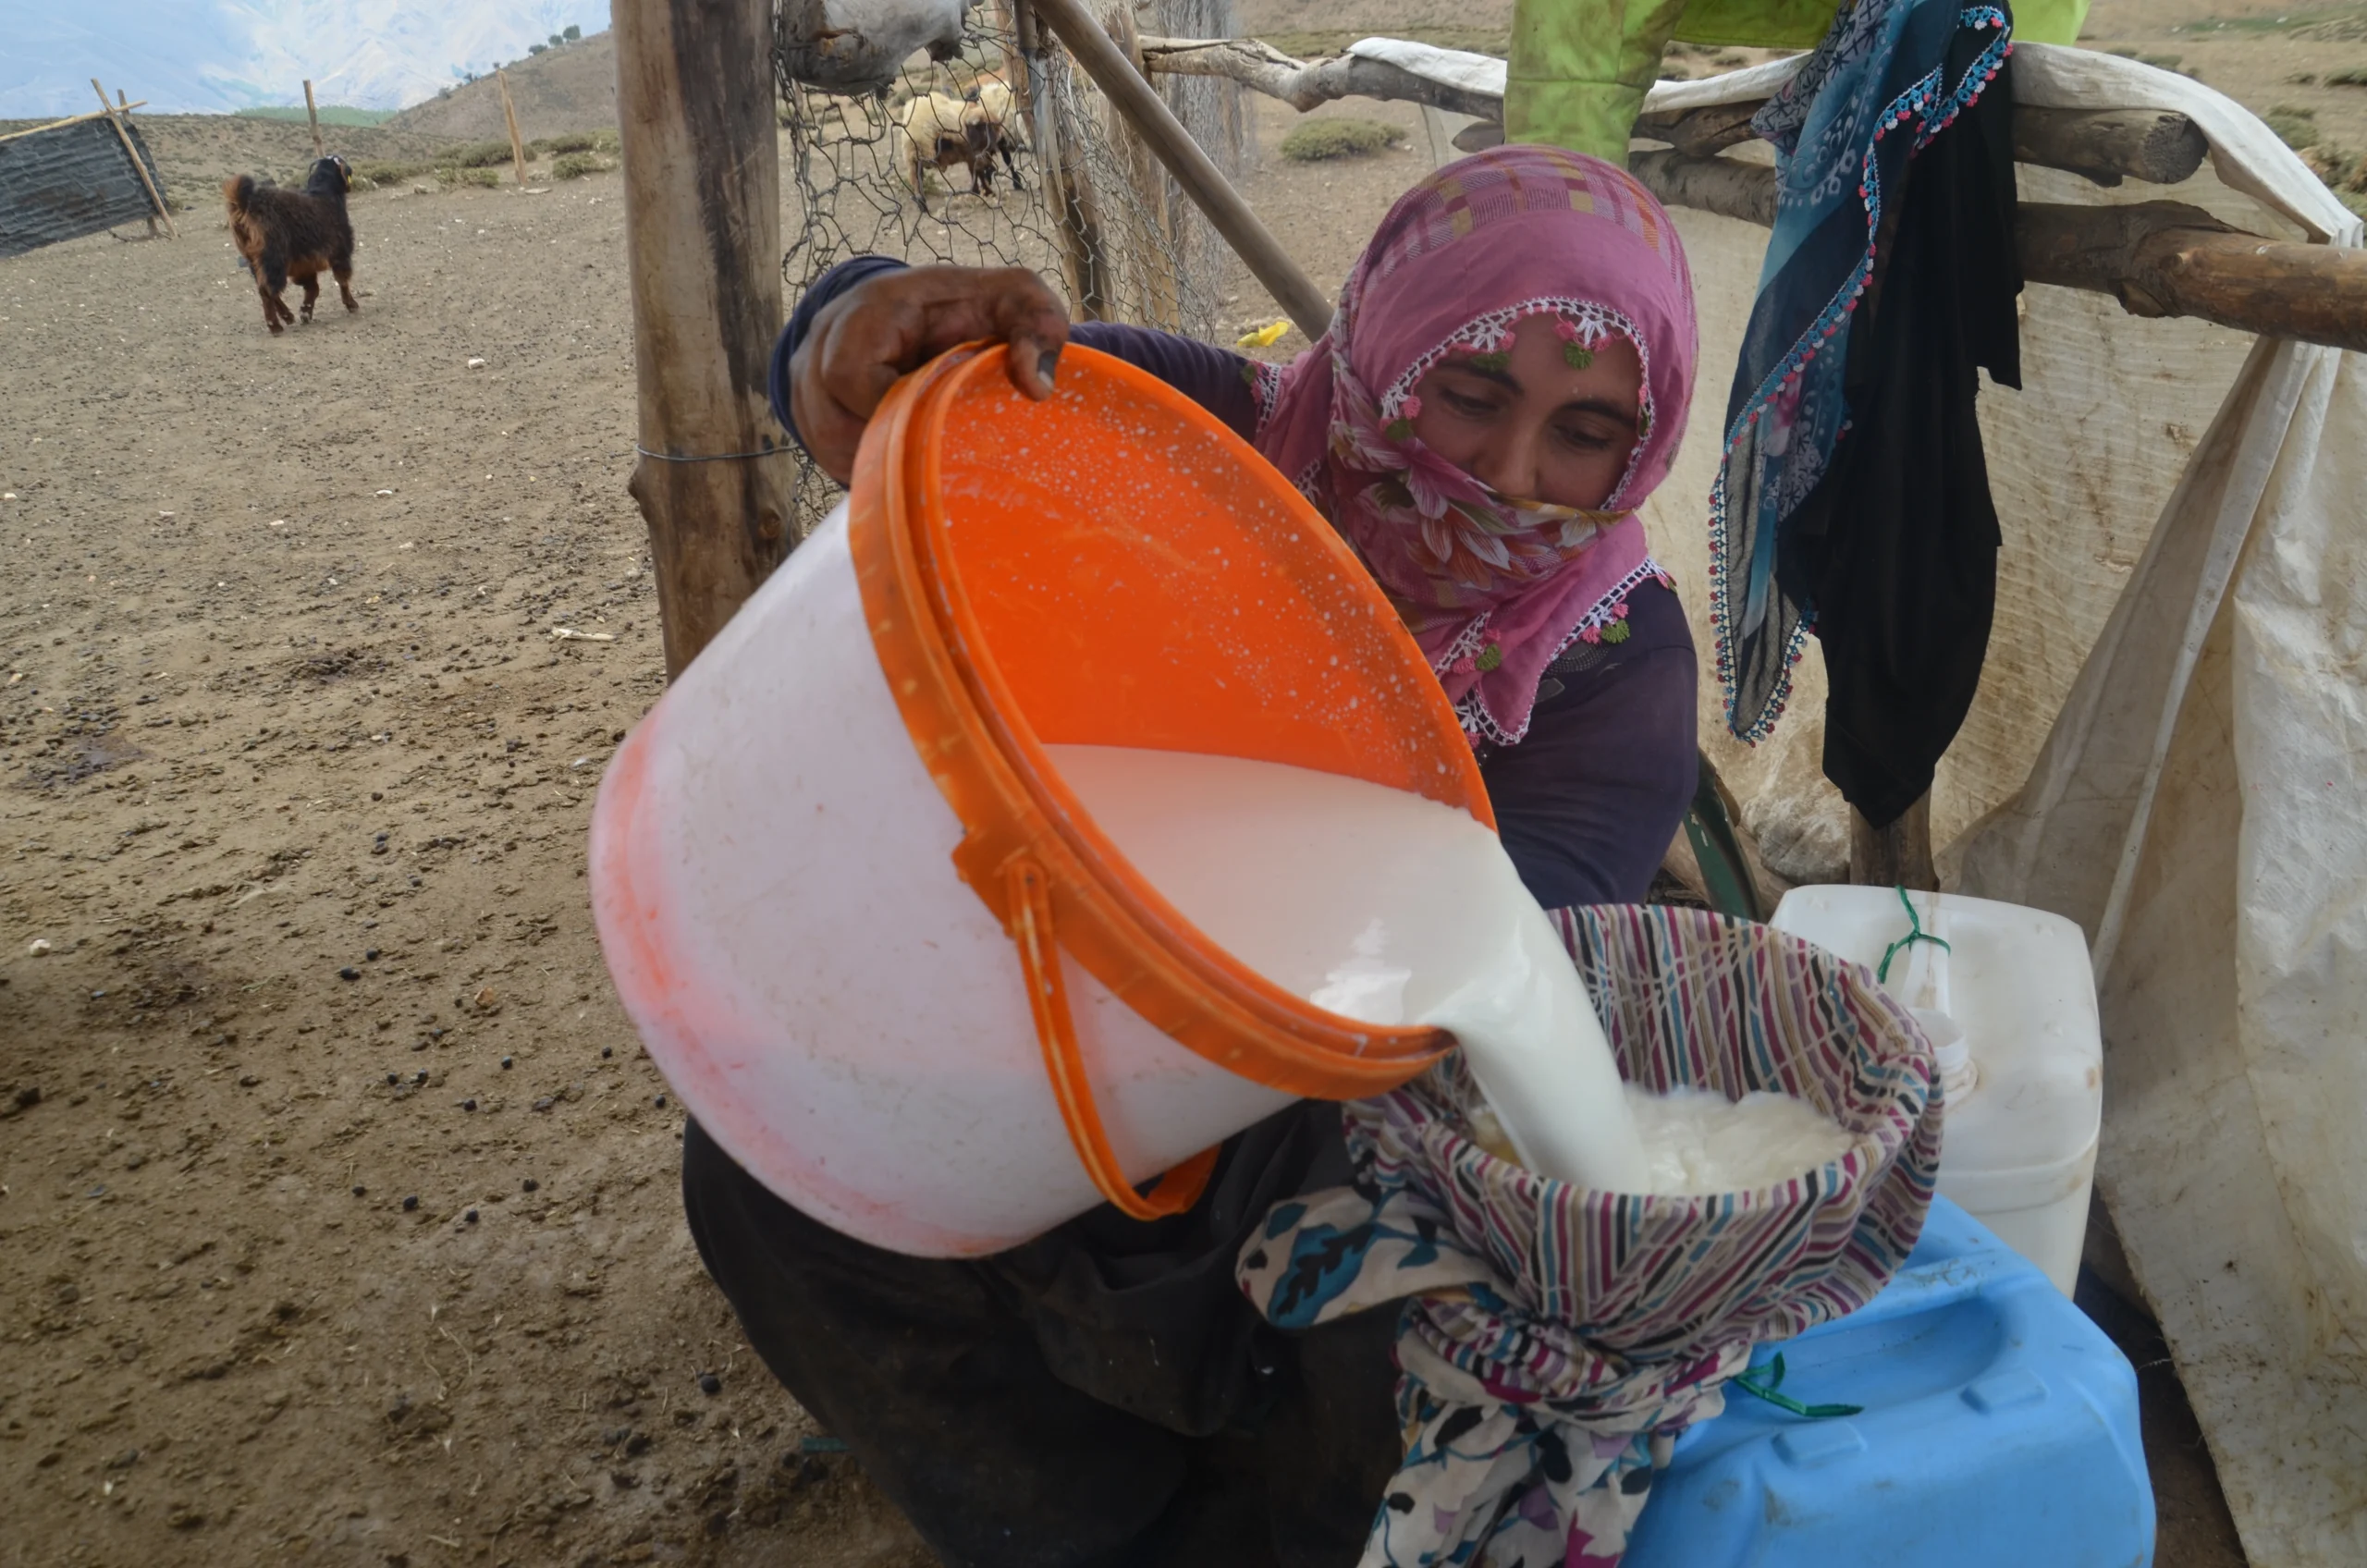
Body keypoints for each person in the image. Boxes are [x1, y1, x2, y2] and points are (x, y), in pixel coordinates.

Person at [681, 145, 1702, 1567]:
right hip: (1019, 967)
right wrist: (847, 334)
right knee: (771, 1164)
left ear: (1637, 451)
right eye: (1468, 394)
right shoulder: (1189, 432)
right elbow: (897, 381)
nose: (1509, 475)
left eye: (1583, 432)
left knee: (1430, 1267)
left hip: (1297, 1084)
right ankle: (1077, 1526)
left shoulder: (1611, 663)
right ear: (1387, 343)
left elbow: (1456, 983)